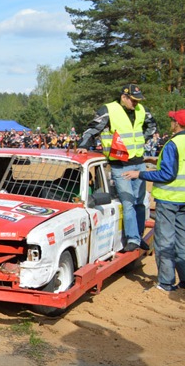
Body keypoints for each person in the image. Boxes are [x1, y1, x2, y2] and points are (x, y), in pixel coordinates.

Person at [77, 83, 157, 252]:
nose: (135, 104)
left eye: (137, 101)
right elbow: (93, 128)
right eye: (133, 101)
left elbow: (152, 125)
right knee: (128, 202)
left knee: (140, 202)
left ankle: (139, 235)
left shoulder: (142, 110)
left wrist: (144, 138)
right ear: (124, 97)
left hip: (138, 162)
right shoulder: (108, 110)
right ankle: (133, 238)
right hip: (119, 164)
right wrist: (84, 144)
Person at [123, 110, 185, 291]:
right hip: (183, 200)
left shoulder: (172, 143)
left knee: (165, 242)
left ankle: (165, 283)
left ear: (177, 124)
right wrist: (156, 160)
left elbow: (168, 174)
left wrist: (139, 173)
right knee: (183, 241)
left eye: (172, 120)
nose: (170, 123)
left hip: (169, 199)